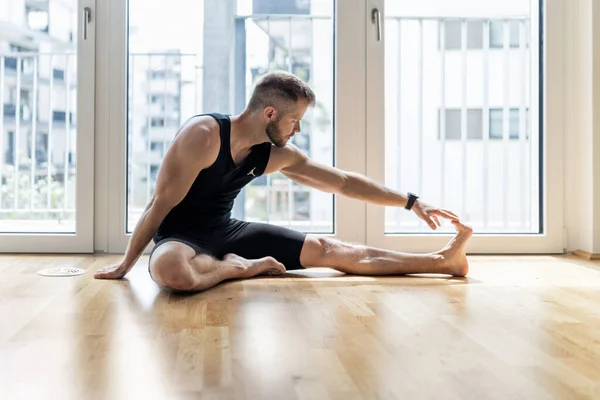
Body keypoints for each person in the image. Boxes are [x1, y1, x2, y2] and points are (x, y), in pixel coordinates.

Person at [94, 71, 472, 292]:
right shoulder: (204, 135)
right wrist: (125, 266)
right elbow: (158, 205)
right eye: (294, 121)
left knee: (327, 249)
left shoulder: (275, 154)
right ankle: (237, 268)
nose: (297, 129)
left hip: (228, 232)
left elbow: (343, 182)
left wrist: (410, 200)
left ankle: (442, 261)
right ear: (270, 113)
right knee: (170, 273)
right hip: (180, 238)